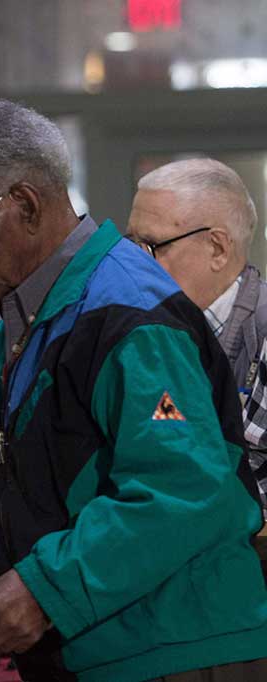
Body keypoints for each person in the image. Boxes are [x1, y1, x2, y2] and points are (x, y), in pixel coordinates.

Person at [0, 100, 267, 681]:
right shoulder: (34, 320)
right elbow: (40, 502)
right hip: (106, 651)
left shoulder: (130, 310)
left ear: (24, 205)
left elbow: (183, 490)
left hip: (175, 651)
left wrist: (46, 587)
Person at [127, 158, 267, 517]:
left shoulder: (262, 332)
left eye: (154, 246)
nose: (136, 264)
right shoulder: (140, 330)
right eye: (131, 244)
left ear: (218, 249)